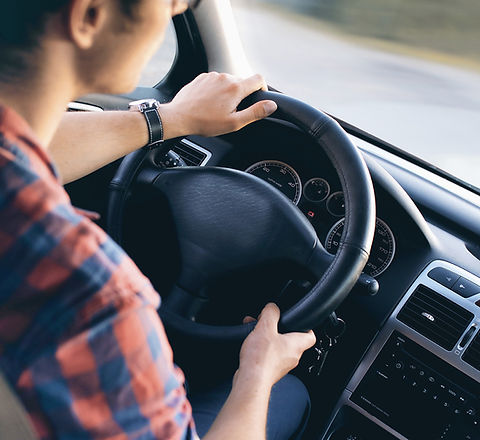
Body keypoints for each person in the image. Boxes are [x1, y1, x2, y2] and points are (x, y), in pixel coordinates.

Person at [0, 0, 317, 439]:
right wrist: (257, 373)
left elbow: (24, 150)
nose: (178, 9)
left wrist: (170, 118)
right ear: (88, 15)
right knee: (289, 394)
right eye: (171, 0)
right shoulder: (91, 300)